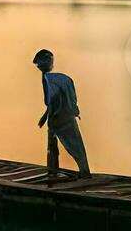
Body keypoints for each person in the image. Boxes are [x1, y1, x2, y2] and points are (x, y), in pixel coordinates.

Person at [33, 48, 91, 178]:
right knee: (64, 147)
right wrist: (45, 117)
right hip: (61, 117)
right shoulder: (60, 79)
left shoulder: (51, 79)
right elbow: (54, 101)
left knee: (73, 147)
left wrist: (49, 116)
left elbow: (53, 100)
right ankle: (54, 171)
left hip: (60, 119)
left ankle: (82, 173)